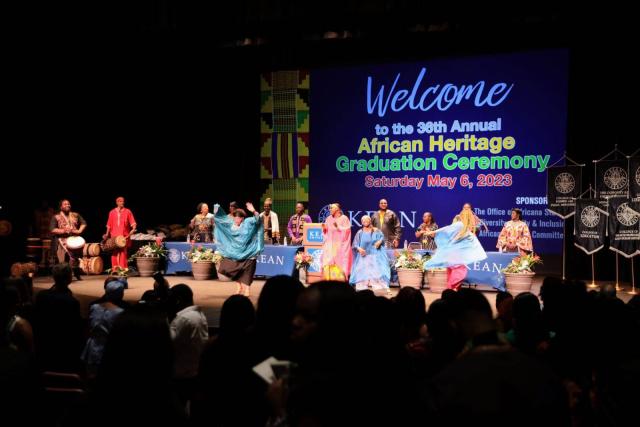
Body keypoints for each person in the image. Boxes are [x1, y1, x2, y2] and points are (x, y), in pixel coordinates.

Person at [423, 209, 487, 290]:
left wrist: (477, 221)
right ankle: (452, 290)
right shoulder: (459, 225)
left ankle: (453, 290)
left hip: (456, 253)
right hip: (454, 253)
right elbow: (445, 229)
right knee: (458, 270)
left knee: (454, 270)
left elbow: (476, 228)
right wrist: (432, 232)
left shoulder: (464, 227)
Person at [214, 202, 264, 297]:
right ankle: (239, 287)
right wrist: (217, 212)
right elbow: (220, 222)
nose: (236, 219)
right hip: (235, 252)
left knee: (248, 271)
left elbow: (258, 219)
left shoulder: (248, 222)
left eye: (238, 218)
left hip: (249, 252)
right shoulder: (231, 226)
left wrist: (253, 210)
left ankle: (247, 289)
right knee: (228, 267)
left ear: (242, 218)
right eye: (235, 218)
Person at [349, 215, 391, 294]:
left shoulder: (375, 230)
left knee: (376, 272)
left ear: (370, 221)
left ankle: (380, 289)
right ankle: (362, 290)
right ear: (361, 222)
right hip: (363, 256)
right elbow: (355, 244)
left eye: (367, 220)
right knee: (362, 272)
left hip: (374, 255)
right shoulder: (360, 232)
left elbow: (382, 238)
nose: (365, 222)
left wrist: (379, 241)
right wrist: (359, 249)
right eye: (363, 221)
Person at [50, 199, 86, 280]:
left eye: (68, 204)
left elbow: (83, 223)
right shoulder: (56, 217)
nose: (68, 205)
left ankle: (76, 274)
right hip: (62, 240)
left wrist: (79, 230)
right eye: (65, 204)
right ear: (61, 207)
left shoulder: (75, 215)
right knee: (63, 260)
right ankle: (63, 276)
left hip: (74, 239)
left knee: (76, 258)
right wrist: (63, 230)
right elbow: (52, 229)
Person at [103, 196, 137, 270]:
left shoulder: (128, 211)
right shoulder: (112, 212)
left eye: (123, 201)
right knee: (114, 252)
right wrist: (106, 234)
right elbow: (109, 225)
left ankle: (123, 268)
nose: (122, 203)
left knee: (123, 252)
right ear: (117, 202)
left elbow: (133, 222)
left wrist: (133, 228)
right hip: (114, 235)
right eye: (121, 201)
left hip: (124, 235)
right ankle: (115, 268)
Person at [320, 203, 352, 281]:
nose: (330, 209)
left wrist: (338, 227)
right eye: (330, 208)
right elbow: (326, 232)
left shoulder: (344, 218)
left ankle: (340, 280)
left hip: (340, 246)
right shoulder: (328, 218)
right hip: (330, 245)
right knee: (328, 261)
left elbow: (347, 231)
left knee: (340, 262)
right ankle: (329, 280)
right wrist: (324, 229)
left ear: (337, 209)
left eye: (332, 208)